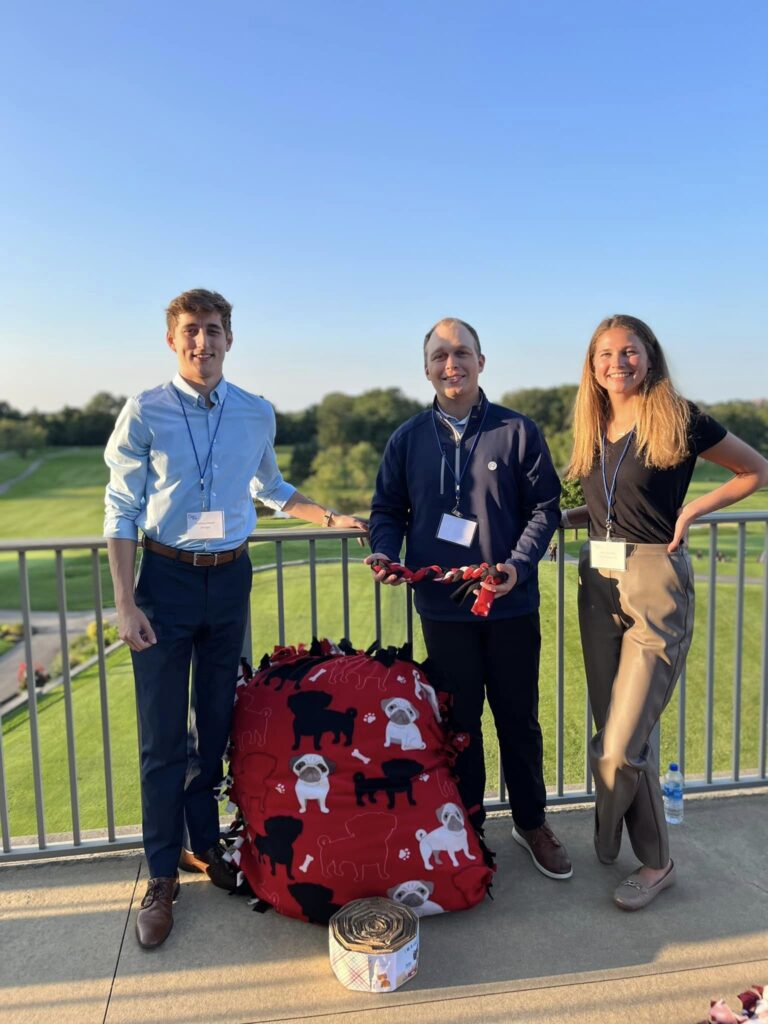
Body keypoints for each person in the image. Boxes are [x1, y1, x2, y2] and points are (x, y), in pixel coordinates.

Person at [104, 288, 366, 949]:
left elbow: (271, 489)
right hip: (162, 583)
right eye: (191, 331)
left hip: (229, 580)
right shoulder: (146, 410)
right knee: (162, 739)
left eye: (213, 330)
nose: (203, 342)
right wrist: (127, 601)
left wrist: (332, 517)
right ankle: (161, 875)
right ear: (173, 341)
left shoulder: (255, 412)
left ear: (229, 338)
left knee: (216, 722)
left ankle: (201, 846)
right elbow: (121, 509)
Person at [563, 314, 768, 910]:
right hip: (597, 580)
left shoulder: (677, 416)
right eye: (605, 353)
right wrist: (558, 519)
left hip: (654, 581)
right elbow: (608, 507)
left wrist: (692, 511)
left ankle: (605, 838)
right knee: (620, 732)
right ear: (592, 364)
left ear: (649, 356)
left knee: (620, 745)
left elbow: (755, 469)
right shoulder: (595, 422)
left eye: (629, 351)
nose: (616, 362)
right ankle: (656, 863)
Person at [366, 317, 572, 880]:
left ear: (482, 361)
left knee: (518, 720)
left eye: (461, 353)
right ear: (426, 368)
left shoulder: (518, 430)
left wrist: (517, 565)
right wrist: (387, 552)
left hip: (509, 602)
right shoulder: (407, 438)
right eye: (439, 356)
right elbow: (387, 510)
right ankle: (468, 826)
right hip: (442, 608)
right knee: (460, 724)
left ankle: (532, 823)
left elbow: (545, 508)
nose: (450, 364)